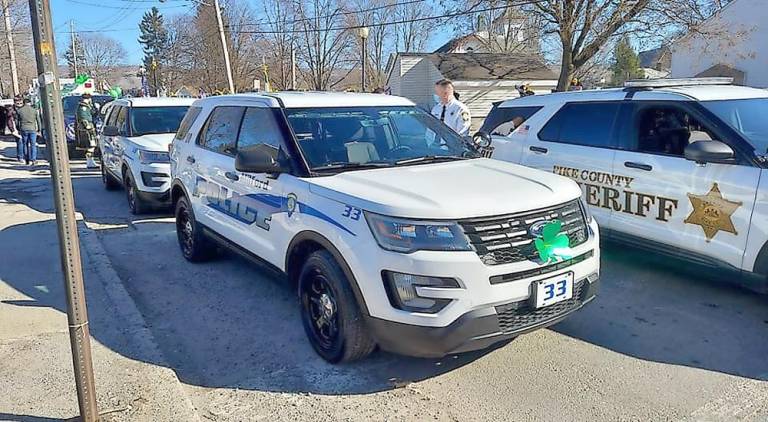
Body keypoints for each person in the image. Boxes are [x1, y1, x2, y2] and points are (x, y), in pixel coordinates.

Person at [15, 97, 41, 166]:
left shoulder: (19, 111)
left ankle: (27, 159)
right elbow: (38, 121)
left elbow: (17, 122)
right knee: (33, 145)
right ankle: (33, 159)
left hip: (23, 129)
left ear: (24, 103)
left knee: (25, 144)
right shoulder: (34, 110)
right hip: (32, 129)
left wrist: (18, 129)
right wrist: (39, 129)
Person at [75, 93, 98, 168]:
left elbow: (93, 114)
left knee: (92, 145)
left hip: (90, 126)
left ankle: (91, 161)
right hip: (86, 129)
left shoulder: (88, 106)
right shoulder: (83, 107)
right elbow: (83, 118)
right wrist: (88, 127)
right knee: (91, 145)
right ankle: (89, 162)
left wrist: (96, 108)